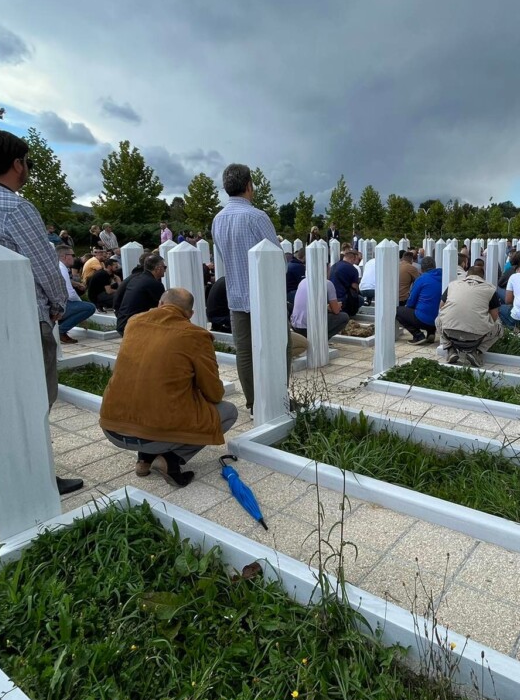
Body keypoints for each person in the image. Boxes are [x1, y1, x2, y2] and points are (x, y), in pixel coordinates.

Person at [0, 127, 84, 495]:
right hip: (22, 318)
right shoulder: (14, 206)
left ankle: (7, 471)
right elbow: (43, 264)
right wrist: (59, 304)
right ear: (17, 164)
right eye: (27, 163)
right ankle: (35, 474)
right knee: (34, 399)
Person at [99, 288, 238, 487]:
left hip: (112, 428)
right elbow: (214, 392)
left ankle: (144, 460)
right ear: (189, 315)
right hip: (155, 435)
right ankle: (169, 461)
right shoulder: (195, 335)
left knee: (148, 394)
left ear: (160, 305)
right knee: (228, 412)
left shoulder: (134, 322)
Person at [211, 163, 287, 415]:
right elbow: (275, 258)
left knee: (244, 352)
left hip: (236, 295)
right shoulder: (257, 216)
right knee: (279, 346)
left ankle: (254, 403)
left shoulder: (218, 220)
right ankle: (278, 398)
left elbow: (222, 257)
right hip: (264, 297)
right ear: (248, 186)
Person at [437, 266, 501, 367]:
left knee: (438, 319)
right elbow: (494, 316)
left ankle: (450, 349)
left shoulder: (453, 285)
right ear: (482, 277)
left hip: (450, 333)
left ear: (467, 275)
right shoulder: (490, 289)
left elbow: (441, 307)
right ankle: (477, 352)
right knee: (499, 326)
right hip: (475, 337)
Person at [114, 254, 167, 334]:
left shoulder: (135, 279)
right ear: (158, 268)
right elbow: (162, 307)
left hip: (123, 321)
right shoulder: (154, 284)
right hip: (133, 326)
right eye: (164, 267)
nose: (165, 270)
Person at [55, 245, 97, 343]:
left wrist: (76, 283)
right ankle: (61, 331)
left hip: (55, 303)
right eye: (72, 255)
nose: (75, 257)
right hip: (59, 305)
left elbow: (65, 282)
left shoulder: (58, 266)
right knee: (89, 307)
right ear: (65, 256)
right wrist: (80, 303)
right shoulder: (62, 269)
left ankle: (60, 327)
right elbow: (70, 294)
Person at [396, 256, 441, 343]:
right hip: (439, 319)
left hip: (423, 319)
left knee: (398, 311)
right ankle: (431, 332)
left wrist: (408, 307)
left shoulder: (422, 279)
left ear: (422, 268)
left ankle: (418, 335)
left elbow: (411, 301)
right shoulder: (444, 276)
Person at [291, 275, 349, 339]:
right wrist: (337, 305)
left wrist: (328, 307)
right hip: (309, 328)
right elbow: (336, 310)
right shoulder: (327, 283)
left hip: (295, 326)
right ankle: (320, 341)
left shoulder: (303, 281)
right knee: (344, 317)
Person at [329, 249, 362, 317]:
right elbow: (354, 288)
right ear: (352, 258)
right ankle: (348, 314)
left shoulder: (333, 266)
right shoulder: (353, 269)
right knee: (361, 299)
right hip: (342, 299)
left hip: (330, 298)